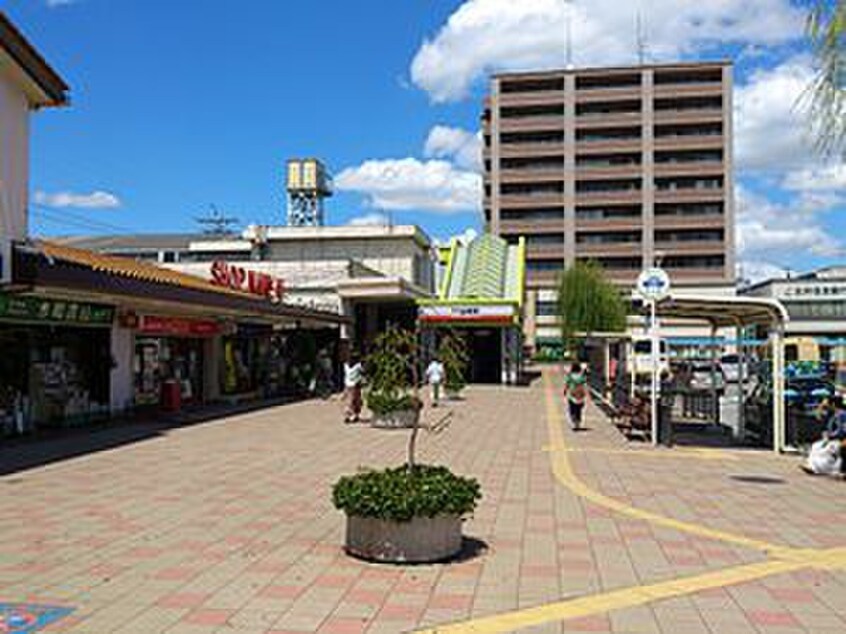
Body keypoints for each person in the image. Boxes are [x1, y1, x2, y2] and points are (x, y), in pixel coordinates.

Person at [563, 362, 588, 430]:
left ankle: (573, 418)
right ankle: (578, 421)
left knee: (572, 408)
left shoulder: (570, 376)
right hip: (580, 395)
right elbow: (585, 385)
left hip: (572, 394)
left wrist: (565, 391)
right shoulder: (582, 376)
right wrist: (586, 394)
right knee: (579, 409)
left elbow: (567, 384)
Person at [343, 353, 364, 423]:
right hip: (355, 385)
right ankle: (352, 415)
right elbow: (362, 372)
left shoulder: (345, 365)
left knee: (349, 401)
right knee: (355, 401)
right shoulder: (358, 366)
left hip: (347, 385)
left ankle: (350, 415)